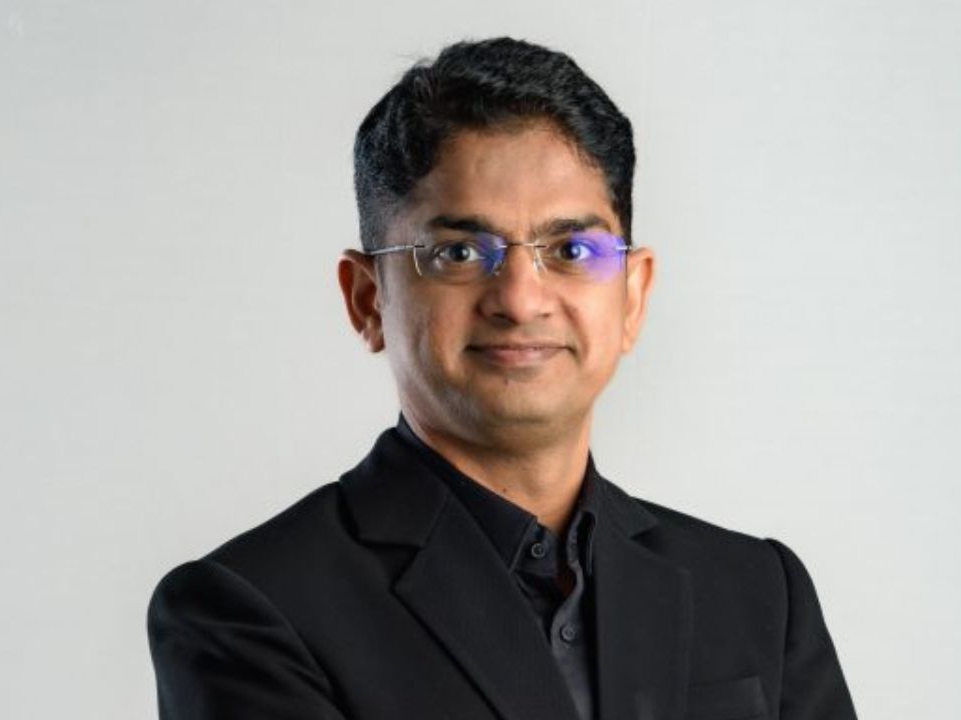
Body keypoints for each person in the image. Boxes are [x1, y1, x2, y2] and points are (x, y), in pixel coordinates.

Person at [147, 37, 857, 720]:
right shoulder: (252, 608)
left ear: (633, 295)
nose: (520, 300)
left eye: (571, 249)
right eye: (459, 252)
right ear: (368, 300)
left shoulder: (757, 593)